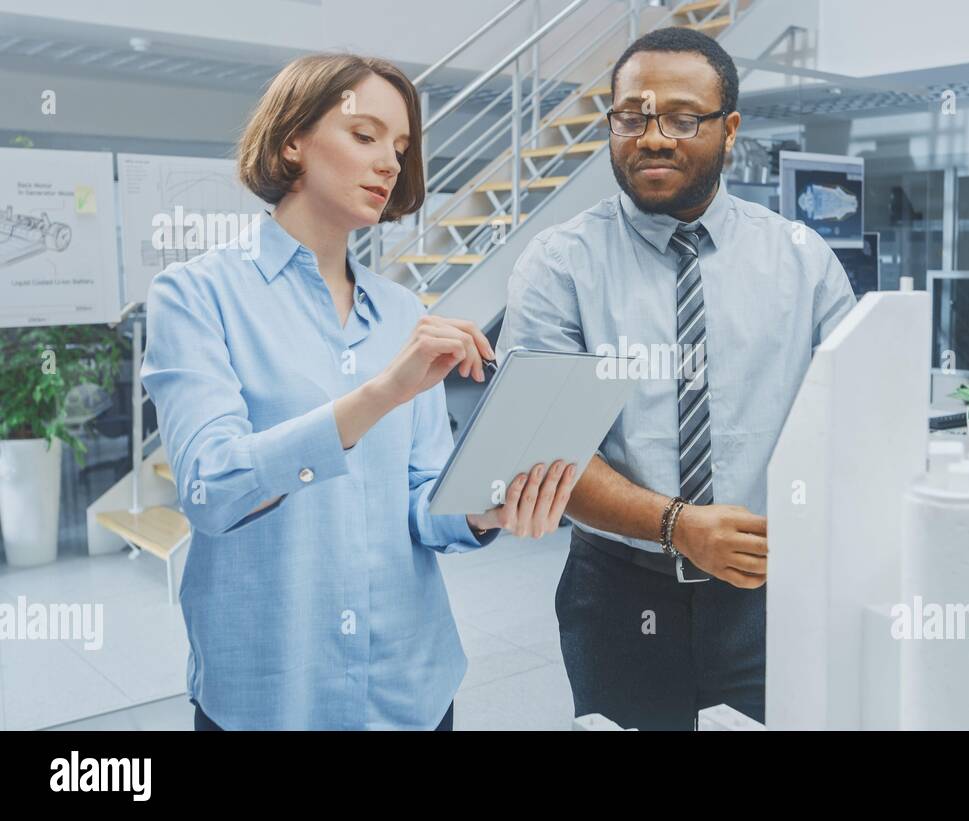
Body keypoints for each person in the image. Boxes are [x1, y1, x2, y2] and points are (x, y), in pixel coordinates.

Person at [142, 53, 577, 730]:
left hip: (410, 689)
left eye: (400, 149)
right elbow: (211, 489)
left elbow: (419, 500)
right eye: (365, 135)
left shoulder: (404, 312)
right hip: (271, 695)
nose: (389, 164)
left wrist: (483, 507)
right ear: (293, 141)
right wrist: (379, 393)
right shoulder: (196, 296)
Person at [499, 28, 856, 730]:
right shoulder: (559, 264)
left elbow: (851, 421)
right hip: (620, 592)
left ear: (729, 131)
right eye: (632, 116)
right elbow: (544, 450)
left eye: (683, 118)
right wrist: (677, 525)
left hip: (769, 591)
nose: (653, 136)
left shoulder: (803, 262)